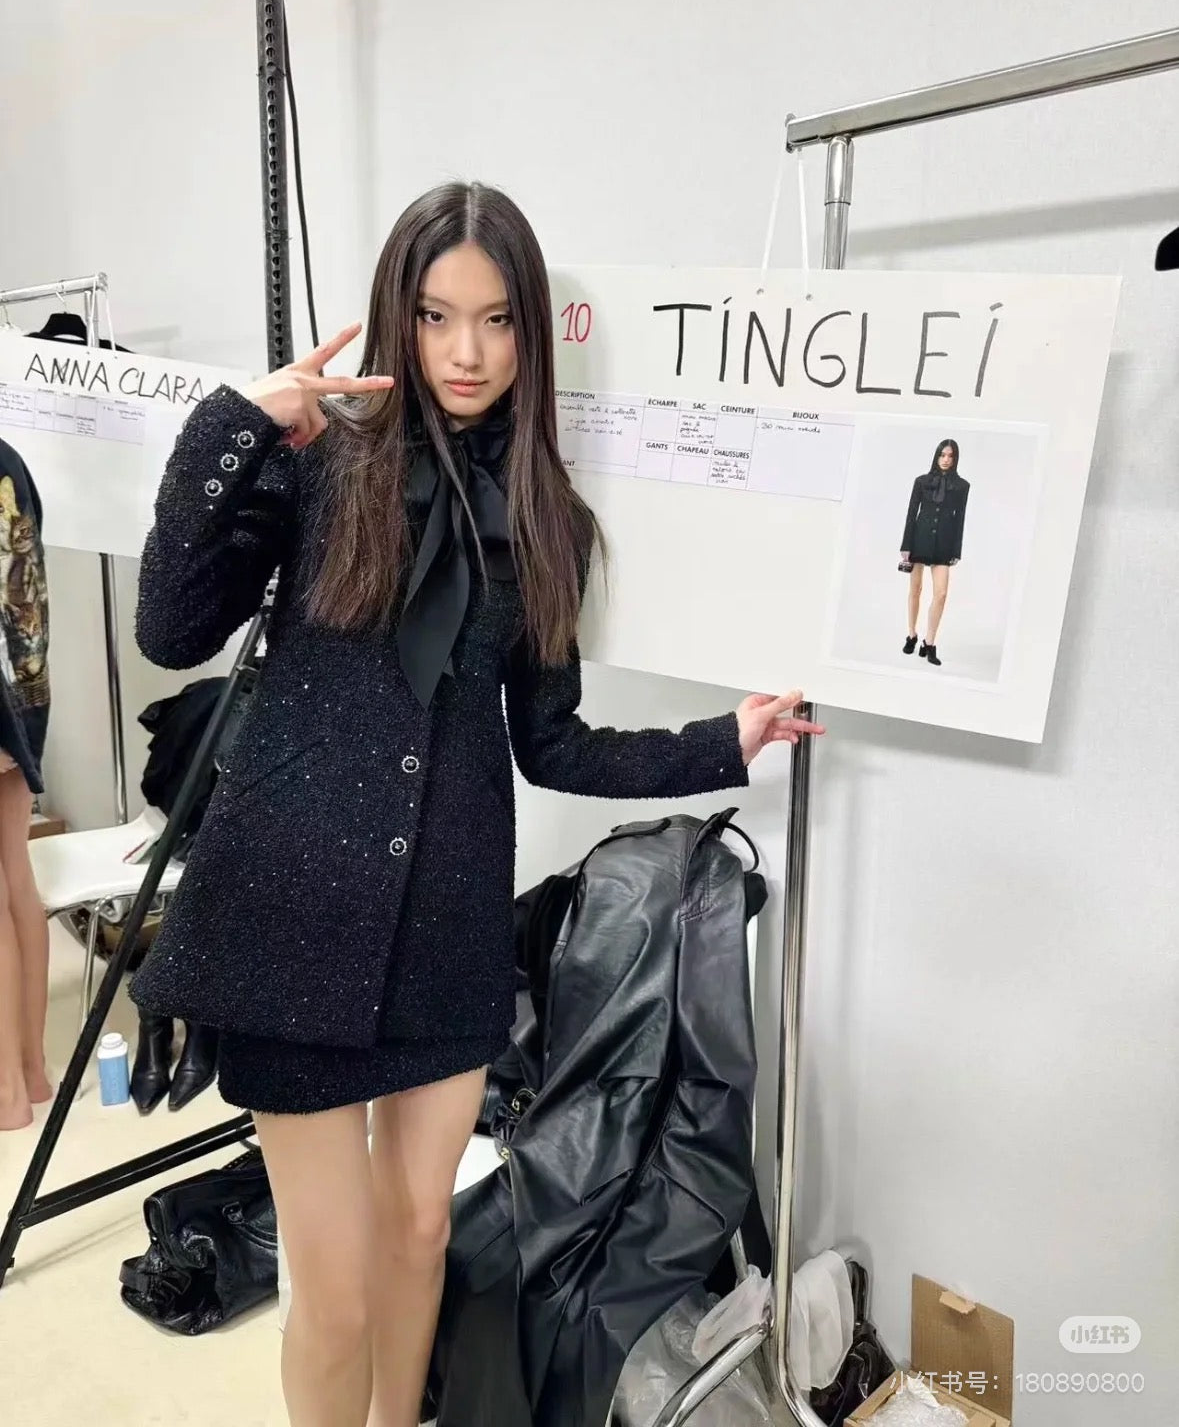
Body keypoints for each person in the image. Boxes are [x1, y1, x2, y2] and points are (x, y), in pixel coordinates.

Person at [130, 182, 824, 1427]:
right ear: (399, 315)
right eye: (439, 316)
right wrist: (233, 425)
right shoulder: (319, 465)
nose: (467, 352)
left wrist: (722, 741)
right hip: (291, 920)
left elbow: (552, 744)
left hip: (446, 932)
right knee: (333, 1293)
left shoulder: (547, 518)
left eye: (497, 320)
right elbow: (170, 628)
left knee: (418, 1237)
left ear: (529, 332)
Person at [0, 438, 51, 1132]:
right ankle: (31, 1072)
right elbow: (26, 595)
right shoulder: (8, 459)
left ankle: (8, 1091)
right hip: (21, 693)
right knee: (16, 876)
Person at [900, 437, 970, 668]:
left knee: (941, 594)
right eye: (942, 455)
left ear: (955, 458)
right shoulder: (921, 482)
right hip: (919, 540)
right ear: (937, 455)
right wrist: (906, 545)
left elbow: (960, 520)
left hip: (943, 544)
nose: (946, 459)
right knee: (915, 589)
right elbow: (912, 513)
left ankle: (929, 643)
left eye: (950, 456)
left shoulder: (962, 486)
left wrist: (956, 550)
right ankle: (912, 634)